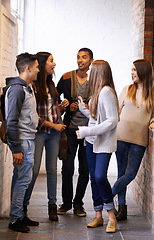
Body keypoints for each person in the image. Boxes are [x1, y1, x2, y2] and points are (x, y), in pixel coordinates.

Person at [112, 59, 154, 221]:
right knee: (121, 172)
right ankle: (122, 208)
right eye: (131, 69)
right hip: (121, 136)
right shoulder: (127, 89)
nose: (132, 73)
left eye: (135, 70)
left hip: (139, 139)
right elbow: (117, 112)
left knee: (130, 173)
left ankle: (107, 195)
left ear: (143, 71)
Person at [24, 52, 68, 222]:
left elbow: (52, 110)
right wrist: (53, 125)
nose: (54, 64)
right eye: (51, 61)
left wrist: (61, 108)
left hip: (54, 134)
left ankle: (52, 207)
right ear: (42, 64)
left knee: (52, 171)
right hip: (40, 133)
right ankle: (23, 206)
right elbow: (34, 115)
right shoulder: (33, 87)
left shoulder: (51, 85)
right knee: (34, 171)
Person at [76, 60, 119, 233]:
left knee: (100, 177)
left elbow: (112, 120)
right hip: (91, 143)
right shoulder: (98, 92)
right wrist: (83, 109)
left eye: (91, 71)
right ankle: (98, 215)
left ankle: (112, 216)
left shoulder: (106, 92)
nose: (88, 73)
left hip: (102, 143)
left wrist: (86, 131)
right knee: (94, 178)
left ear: (97, 73)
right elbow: (96, 117)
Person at [4, 53, 39, 233]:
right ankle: (15, 219)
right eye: (36, 67)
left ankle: (19, 215)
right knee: (23, 179)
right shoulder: (17, 89)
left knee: (21, 179)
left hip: (28, 139)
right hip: (22, 141)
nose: (38, 70)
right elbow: (11, 121)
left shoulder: (26, 87)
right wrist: (17, 148)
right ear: (28, 68)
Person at [57, 48, 94, 217]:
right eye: (78, 57)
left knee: (85, 169)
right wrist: (66, 106)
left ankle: (78, 204)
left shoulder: (95, 80)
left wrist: (89, 108)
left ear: (91, 61)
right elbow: (55, 98)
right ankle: (66, 203)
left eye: (84, 57)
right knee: (67, 168)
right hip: (70, 130)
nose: (80, 60)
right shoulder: (66, 77)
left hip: (89, 131)